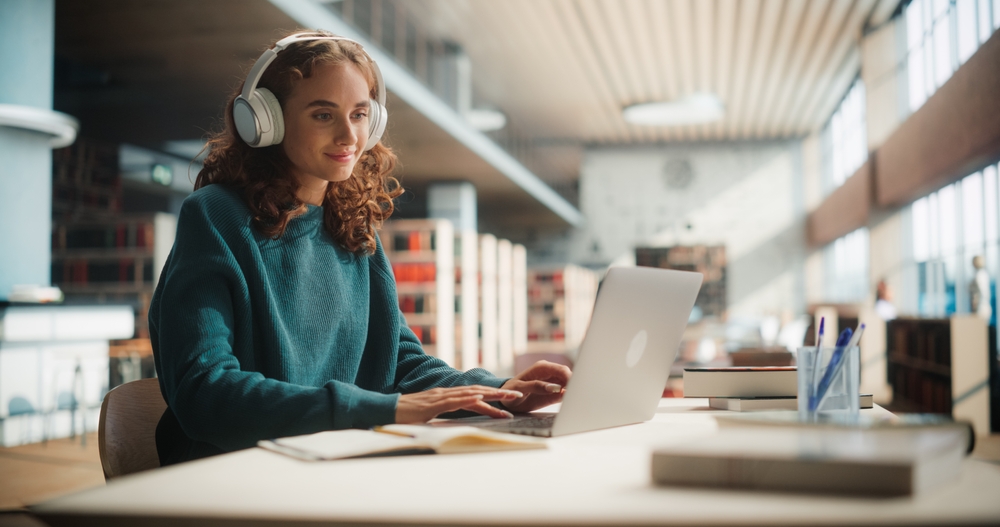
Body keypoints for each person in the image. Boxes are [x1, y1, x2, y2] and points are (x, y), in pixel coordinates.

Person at [149, 30, 570, 465]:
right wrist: (382, 409)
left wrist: (499, 392)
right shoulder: (215, 216)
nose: (349, 136)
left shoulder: (351, 228)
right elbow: (205, 390)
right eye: (323, 115)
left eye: (359, 114)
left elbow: (400, 363)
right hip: (236, 472)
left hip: (330, 462)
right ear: (265, 120)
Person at [970, 255, 992, 321]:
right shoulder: (982, 274)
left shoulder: (979, 275)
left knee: (979, 328)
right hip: (982, 306)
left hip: (981, 308)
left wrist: (977, 305)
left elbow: (982, 293)